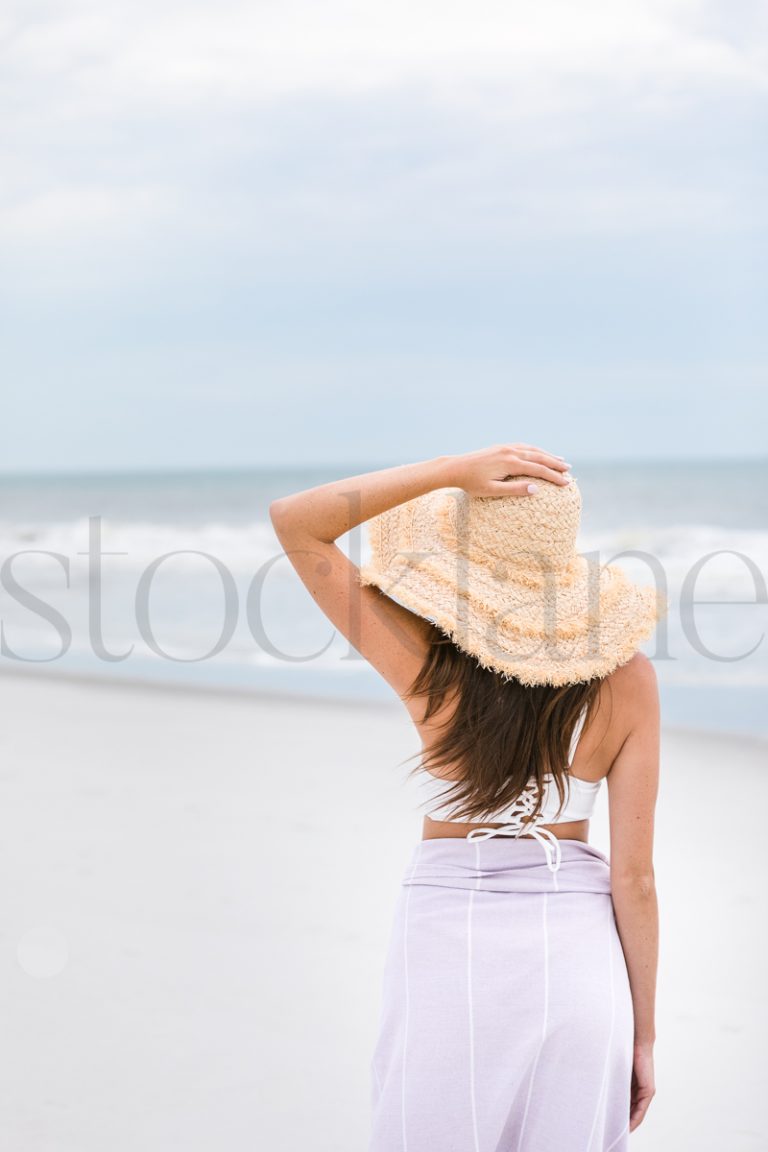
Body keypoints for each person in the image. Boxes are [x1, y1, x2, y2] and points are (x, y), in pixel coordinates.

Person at [269, 443, 666, 1151]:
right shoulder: (628, 680)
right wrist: (643, 1035)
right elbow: (633, 880)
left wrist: (450, 472)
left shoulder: (422, 659)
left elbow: (296, 522)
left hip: (447, 949)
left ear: (464, 559)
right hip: (575, 965)